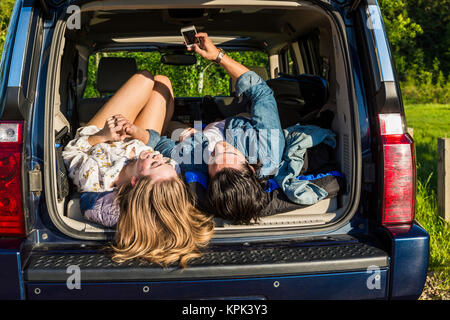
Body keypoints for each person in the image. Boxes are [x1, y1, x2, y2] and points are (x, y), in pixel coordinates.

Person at [63, 71, 214, 268]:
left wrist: (102, 135)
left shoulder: (95, 177)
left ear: (135, 183)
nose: (159, 158)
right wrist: (142, 135)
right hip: (138, 142)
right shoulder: (161, 172)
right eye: (166, 163)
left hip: (100, 137)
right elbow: (160, 153)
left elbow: (71, 151)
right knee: (163, 83)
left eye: (155, 164)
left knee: (145, 79)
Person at [150, 33, 286, 224]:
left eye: (214, 158)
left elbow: (160, 144)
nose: (220, 147)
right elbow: (262, 93)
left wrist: (183, 138)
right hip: (234, 123)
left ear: (209, 177)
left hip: (200, 134)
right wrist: (217, 56)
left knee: (174, 129)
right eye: (229, 155)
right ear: (251, 168)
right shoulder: (268, 149)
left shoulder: (195, 164)